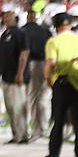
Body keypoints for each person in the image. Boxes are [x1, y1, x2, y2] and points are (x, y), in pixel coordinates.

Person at [44, 13, 78, 157]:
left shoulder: (54, 41)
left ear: (56, 26)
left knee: (58, 120)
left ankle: (54, 154)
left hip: (62, 82)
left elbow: (51, 62)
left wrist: (48, 78)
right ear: (70, 24)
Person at [1, 10, 30, 144]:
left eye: (9, 16)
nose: (6, 19)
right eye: (5, 16)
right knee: (10, 107)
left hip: (16, 76)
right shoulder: (4, 35)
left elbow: (24, 53)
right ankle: (15, 133)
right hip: (6, 76)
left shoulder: (19, 34)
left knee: (18, 106)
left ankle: (22, 134)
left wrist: (20, 73)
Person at [22, 10, 52, 141]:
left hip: (32, 64)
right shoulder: (45, 30)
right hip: (47, 63)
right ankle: (45, 126)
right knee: (45, 95)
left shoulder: (24, 30)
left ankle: (37, 129)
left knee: (33, 96)